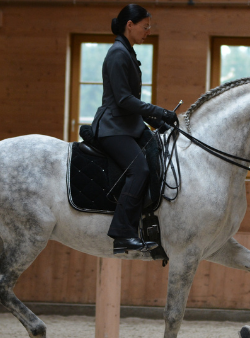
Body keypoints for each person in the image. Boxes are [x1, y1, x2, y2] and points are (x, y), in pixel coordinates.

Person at [91, 4, 178, 254]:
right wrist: (159, 112)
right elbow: (123, 99)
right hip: (113, 127)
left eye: (149, 27)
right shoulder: (118, 54)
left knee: (160, 155)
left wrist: (156, 123)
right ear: (130, 25)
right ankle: (122, 233)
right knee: (138, 170)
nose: (148, 31)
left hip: (130, 124)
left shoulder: (127, 51)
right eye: (145, 26)